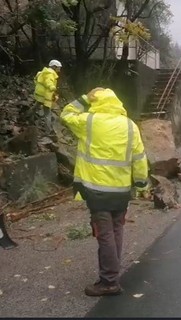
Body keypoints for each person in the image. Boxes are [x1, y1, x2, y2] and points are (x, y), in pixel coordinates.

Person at [60, 87, 149, 297]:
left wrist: (83, 98)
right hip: (121, 192)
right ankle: (111, 275)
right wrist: (142, 185)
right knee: (116, 231)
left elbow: (65, 114)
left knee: (105, 234)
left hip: (97, 191)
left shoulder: (89, 121)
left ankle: (109, 281)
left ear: (96, 102)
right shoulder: (130, 126)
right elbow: (139, 158)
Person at [34, 59, 62, 134]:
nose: (59, 69)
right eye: (58, 67)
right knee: (47, 114)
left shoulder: (46, 72)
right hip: (45, 96)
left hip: (41, 94)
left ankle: (27, 116)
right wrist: (52, 87)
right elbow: (48, 82)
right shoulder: (50, 73)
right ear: (54, 67)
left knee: (36, 106)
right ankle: (48, 131)